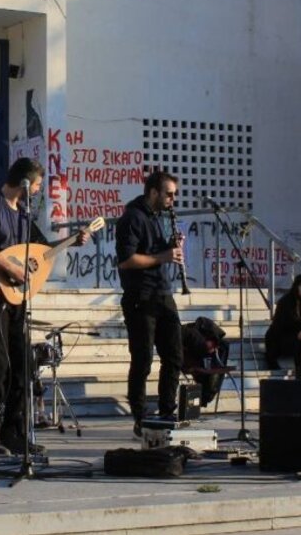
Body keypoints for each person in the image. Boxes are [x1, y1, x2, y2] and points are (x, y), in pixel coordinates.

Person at [0, 157, 86, 456]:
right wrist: (7, 266)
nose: (39, 191)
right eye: (38, 185)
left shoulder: (23, 216)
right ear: (25, 183)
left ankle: (13, 432)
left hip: (16, 299)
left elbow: (42, 252)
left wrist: (72, 241)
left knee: (22, 365)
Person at [116, 171, 185, 437]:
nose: (172, 200)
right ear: (153, 192)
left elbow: (155, 251)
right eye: (168, 194)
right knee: (143, 359)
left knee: (174, 356)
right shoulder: (132, 217)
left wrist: (171, 246)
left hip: (162, 292)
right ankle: (140, 415)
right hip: (140, 296)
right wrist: (165, 256)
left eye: (174, 195)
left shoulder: (159, 216)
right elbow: (127, 260)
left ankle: (167, 411)